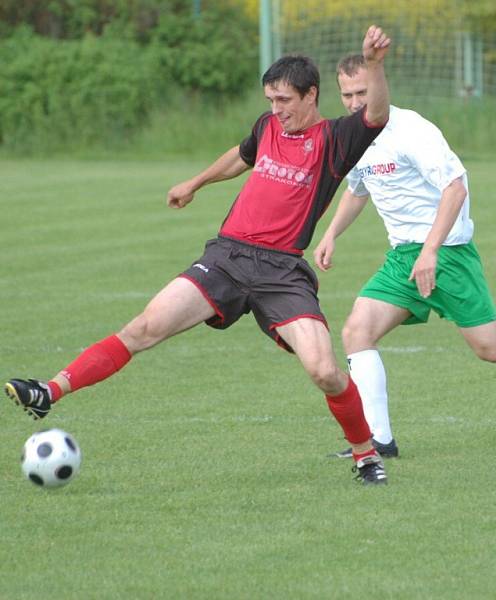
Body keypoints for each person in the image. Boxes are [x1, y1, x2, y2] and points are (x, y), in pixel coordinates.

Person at [5, 26, 394, 486]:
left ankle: (366, 454)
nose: (276, 110)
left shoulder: (335, 139)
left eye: (284, 100)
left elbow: (377, 113)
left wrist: (373, 64)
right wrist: (195, 183)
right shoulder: (268, 126)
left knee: (325, 370)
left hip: (281, 270)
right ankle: (50, 390)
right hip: (227, 257)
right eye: (270, 100)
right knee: (143, 327)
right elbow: (241, 156)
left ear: (311, 96)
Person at [313, 53, 496, 459]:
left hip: (447, 254)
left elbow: (455, 187)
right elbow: (358, 189)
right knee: (358, 332)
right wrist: (331, 234)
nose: (356, 102)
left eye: (363, 92)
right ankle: (378, 442)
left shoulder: (412, 130)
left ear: (380, 85)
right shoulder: (357, 136)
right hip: (402, 259)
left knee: (495, 348)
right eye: (347, 94)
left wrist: (430, 251)